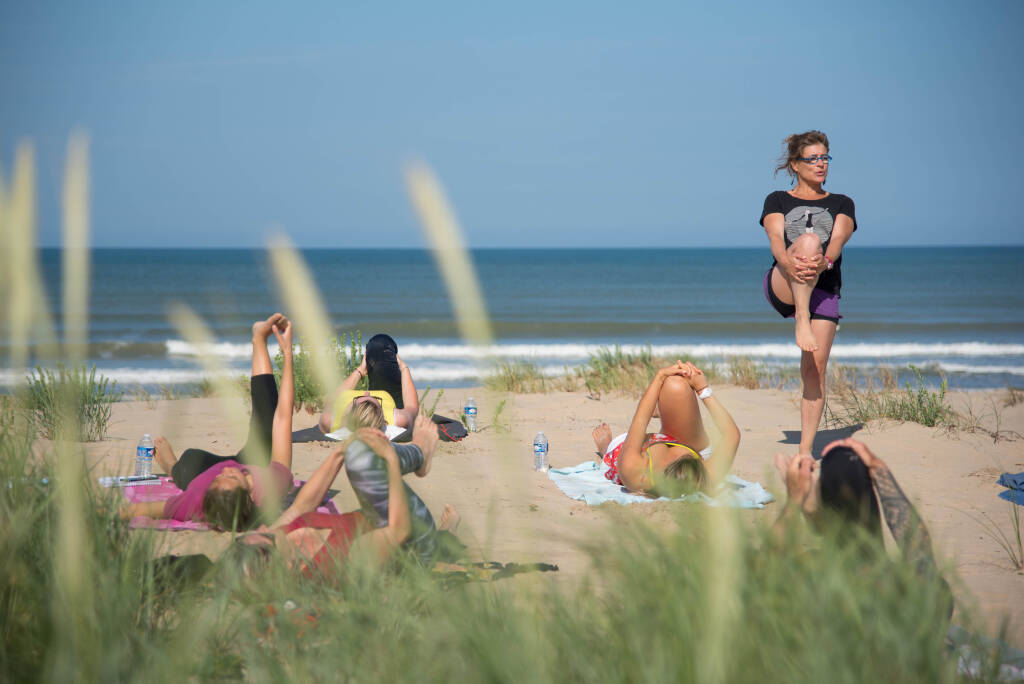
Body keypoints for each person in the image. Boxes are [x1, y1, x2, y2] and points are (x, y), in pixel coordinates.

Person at [119, 314, 296, 530]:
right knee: (268, 426)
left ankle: (170, 466)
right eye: (231, 479)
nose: (225, 471)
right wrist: (288, 353)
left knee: (186, 468)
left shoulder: (196, 501)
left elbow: (141, 510)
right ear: (249, 496)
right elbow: (283, 417)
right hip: (253, 463)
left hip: (198, 466)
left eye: (217, 481)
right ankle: (258, 339)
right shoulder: (272, 485)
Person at [227, 414, 457, 577]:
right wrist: (390, 461)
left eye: (256, 531)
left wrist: (339, 452)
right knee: (361, 457)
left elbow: (300, 507)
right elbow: (399, 530)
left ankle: (444, 534)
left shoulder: (282, 538)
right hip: (413, 546)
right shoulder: (333, 563)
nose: (263, 528)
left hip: (378, 515)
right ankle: (421, 450)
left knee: (355, 448)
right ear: (284, 565)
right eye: (265, 537)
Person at [761, 130, 857, 457]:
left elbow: (839, 242)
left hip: (824, 284)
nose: (821, 164)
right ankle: (801, 317)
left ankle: (804, 452)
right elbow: (776, 241)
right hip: (784, 281)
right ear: (795, 165)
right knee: (808, 240)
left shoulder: (842, 202)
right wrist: (793, 264)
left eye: (824, 158)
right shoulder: (777, 199)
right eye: (812, 159)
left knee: (813, 370)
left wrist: (820, 266)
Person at [774, 438, 951, 614]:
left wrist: (795, 500)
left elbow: (759, 575)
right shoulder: (904, 591)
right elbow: (920, 554)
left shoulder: (811, 577)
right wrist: (878, 468)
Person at [591, 361, 740, 497]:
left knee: (615, 453)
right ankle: (664, 409)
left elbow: (641, 419)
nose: (677, 456)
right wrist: (702, 389)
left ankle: (606, 447)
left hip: (624, 451)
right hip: (691, 446)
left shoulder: (633, 469)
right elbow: (732, 435)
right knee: (676, 384)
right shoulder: (706, 476)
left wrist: (660, 376)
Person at [318, 333, 420, 434]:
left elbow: (330, 402)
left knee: (375, 348)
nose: (367, 393)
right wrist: (403, 367)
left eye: (357, 401)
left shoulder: (331, 421)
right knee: (382, 344)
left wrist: (360, 371)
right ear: (382, 414)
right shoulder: (397, 418)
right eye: (375, 401)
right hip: (393, 397)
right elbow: (412, 408)